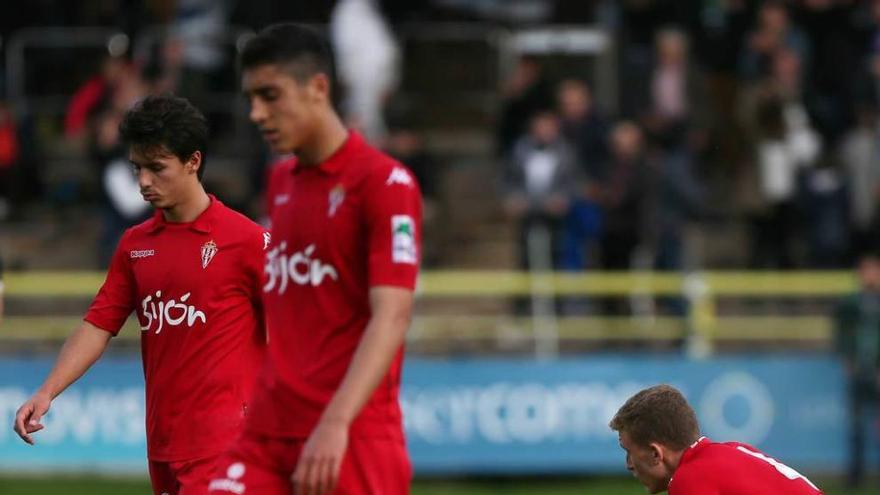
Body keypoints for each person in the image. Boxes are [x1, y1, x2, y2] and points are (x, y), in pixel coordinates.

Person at [13, 95, 269, 495]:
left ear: (193, 161)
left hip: (227, 444)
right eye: (137, 168)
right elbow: (99, 323)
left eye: (157, 168)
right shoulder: (135, 245)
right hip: (163, 443)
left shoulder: (247, 241)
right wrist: (47, 391)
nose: (143, 181)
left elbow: (293, 331)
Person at [210, 23, 421, 495]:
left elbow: (393, 316)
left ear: (318, 88)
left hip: (351, 432)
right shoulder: (281, 182)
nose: (256, 114)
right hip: (268, 429)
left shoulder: (384, 184)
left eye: (270, 95)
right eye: (250, 99)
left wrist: (336, 422)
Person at [610, 384, 823, 495]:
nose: (629, 464)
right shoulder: (735, 449)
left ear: (656, 453)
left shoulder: (689, 478)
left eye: (628, 451)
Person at [833, 250, 880, 488]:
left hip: (876, 369)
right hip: (860, 371)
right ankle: (856, 477)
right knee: (857, 424)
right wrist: (846, 359)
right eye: (866, 270)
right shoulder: (851, 302)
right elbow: (841, 333)